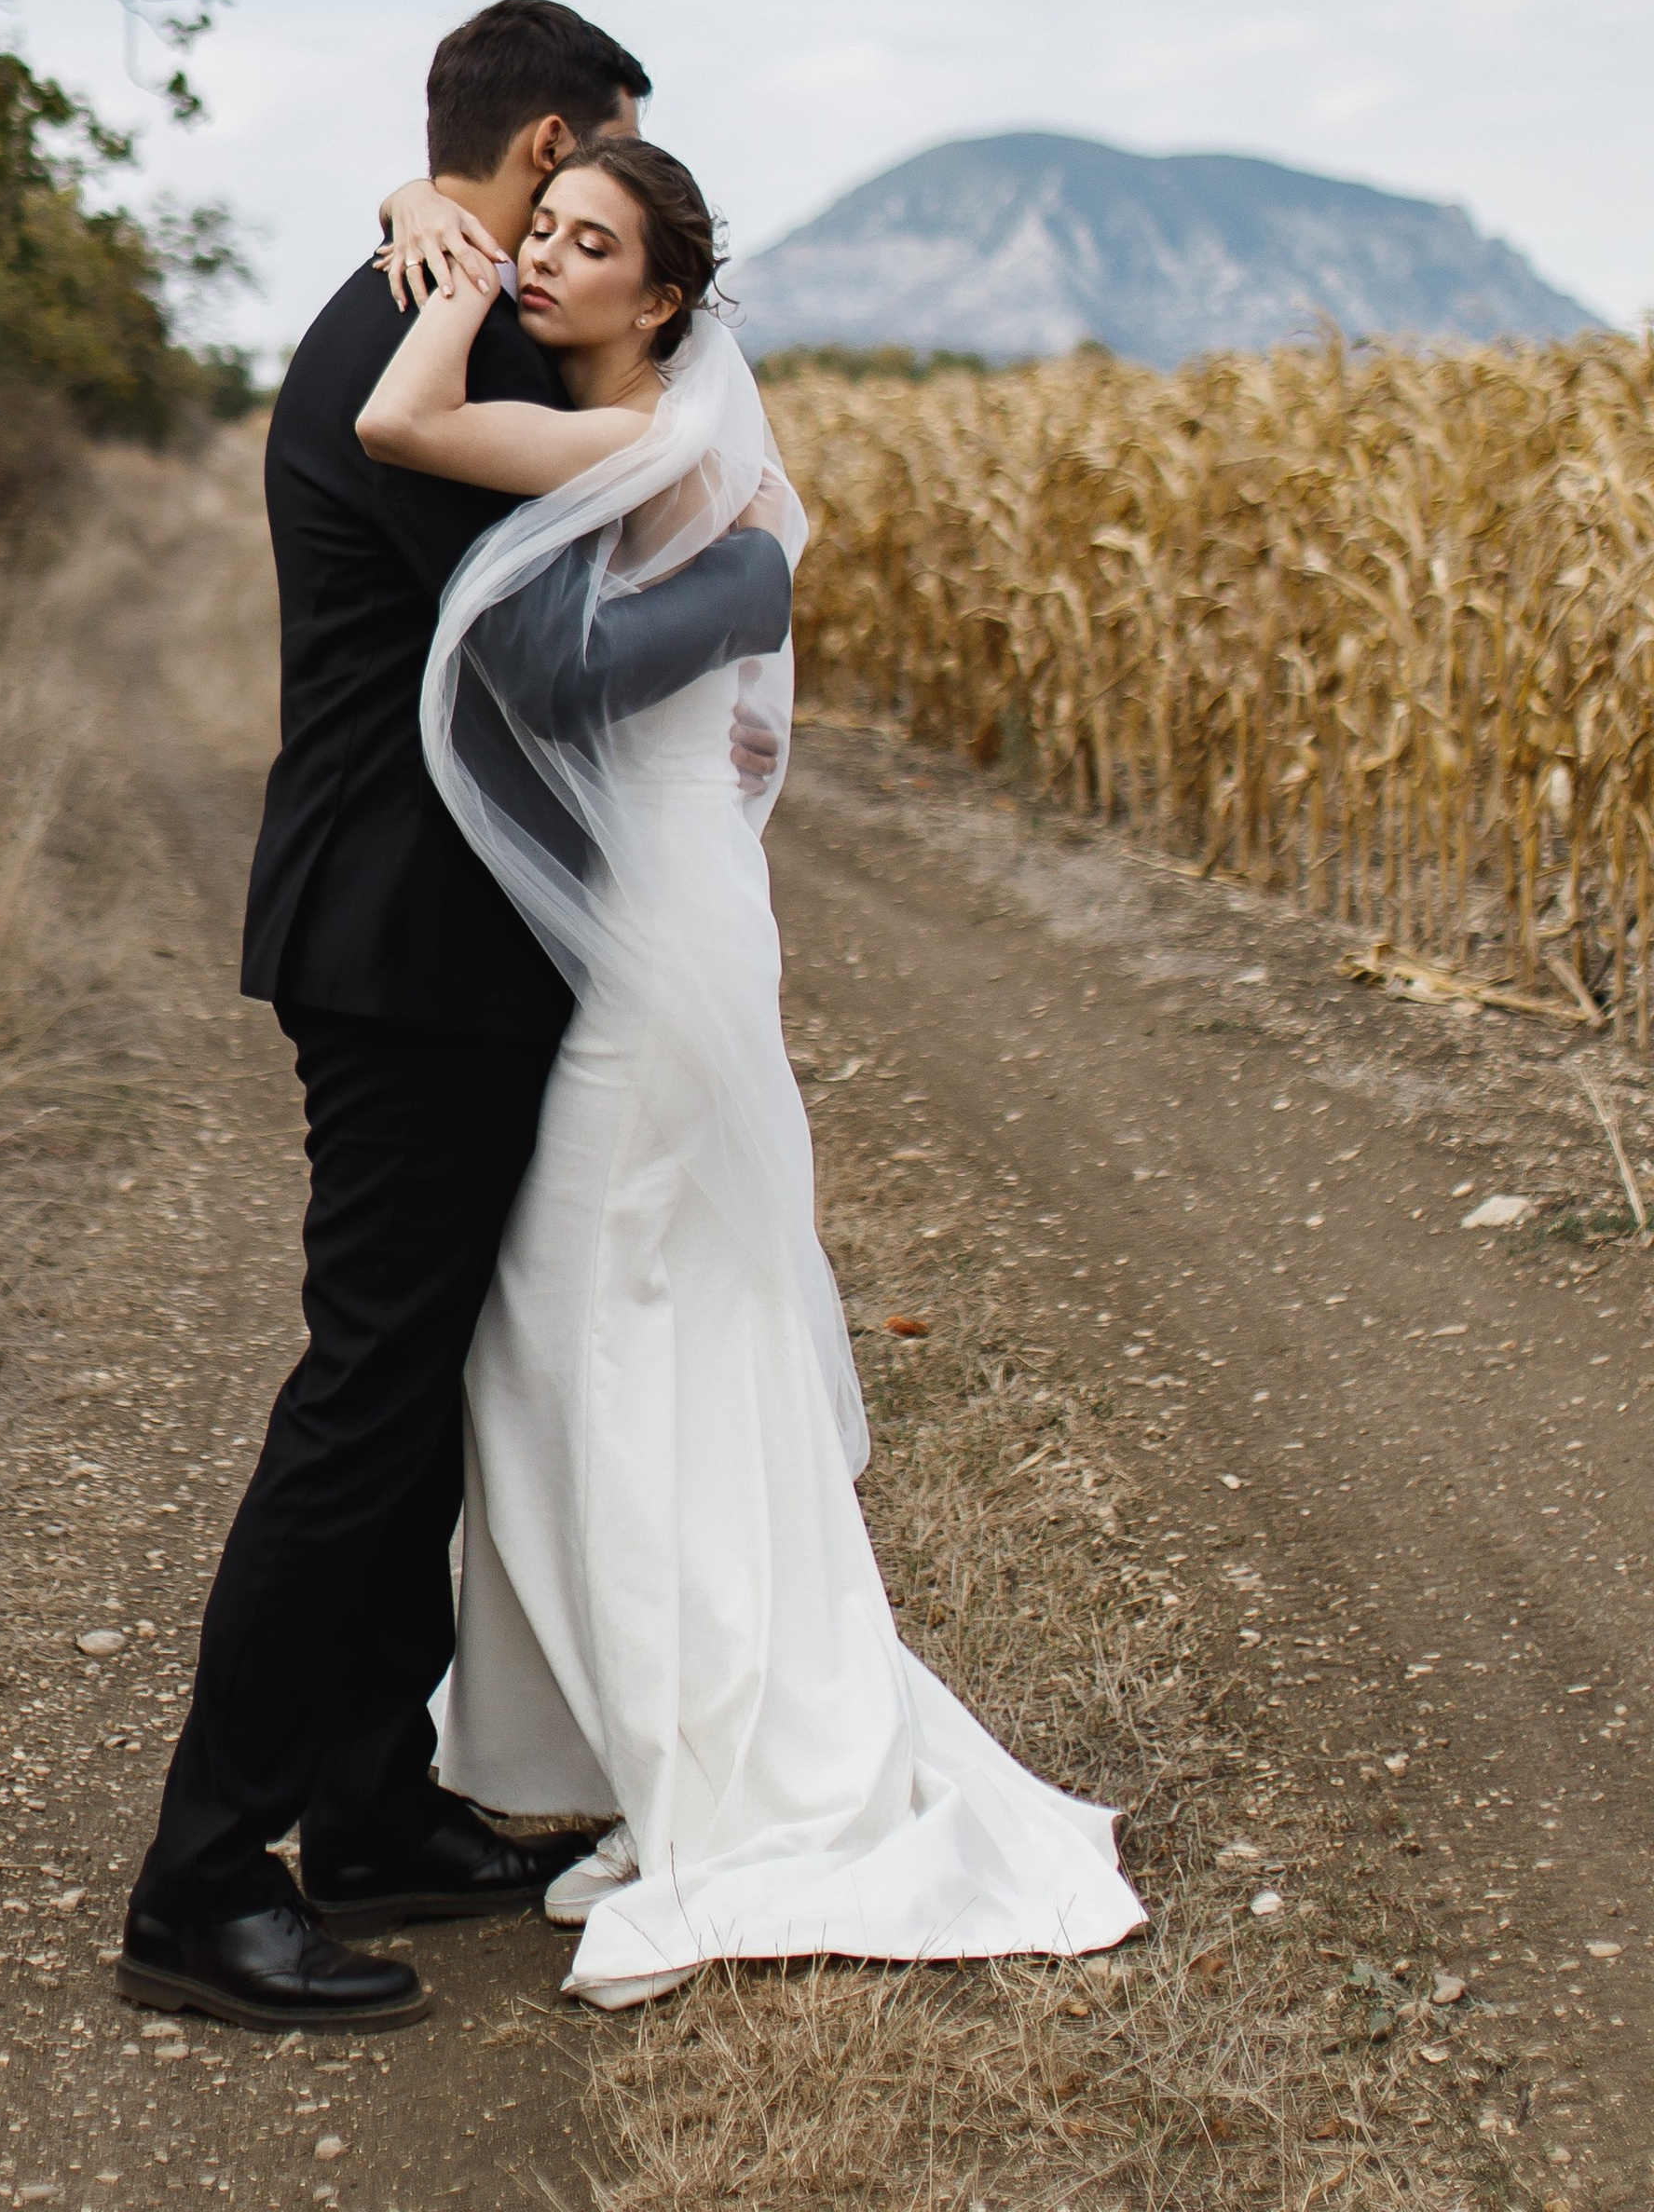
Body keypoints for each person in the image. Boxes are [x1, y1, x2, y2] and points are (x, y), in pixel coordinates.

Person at [357, 135, 1148, 2006]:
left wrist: (442, 269)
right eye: (534, 228)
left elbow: (398, 422)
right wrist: (424, 209)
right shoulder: (669, 444)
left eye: (581, 247)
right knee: (641, 1331)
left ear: (663, 302)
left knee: (580, 1332)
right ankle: (676, 1741)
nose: (542, 262)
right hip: (666, 915)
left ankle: (722, 1765)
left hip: (661, 954)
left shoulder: (653, 448)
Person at [119, 3, 796, 2032]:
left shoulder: (414, 294)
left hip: (445, 942)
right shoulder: (423, 343)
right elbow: (555, 660)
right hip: (400, 946)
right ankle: (198, 1880)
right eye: (580, 190)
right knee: (363, 1399)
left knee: (418, 1396)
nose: (584, 234)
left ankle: (367, 1801)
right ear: (542, 156)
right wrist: (751, 586)